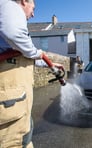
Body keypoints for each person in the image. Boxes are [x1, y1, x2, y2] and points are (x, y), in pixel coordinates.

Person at [0, 0, 63, 147]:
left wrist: (48, 63)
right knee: (12, 141)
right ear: (23, 1)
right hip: (10, 99)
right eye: (33, 8)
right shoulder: (9, 5)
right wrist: (37, 53)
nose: (33, 14)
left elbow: (19, 55)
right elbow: (13, 33)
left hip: (15, 99)